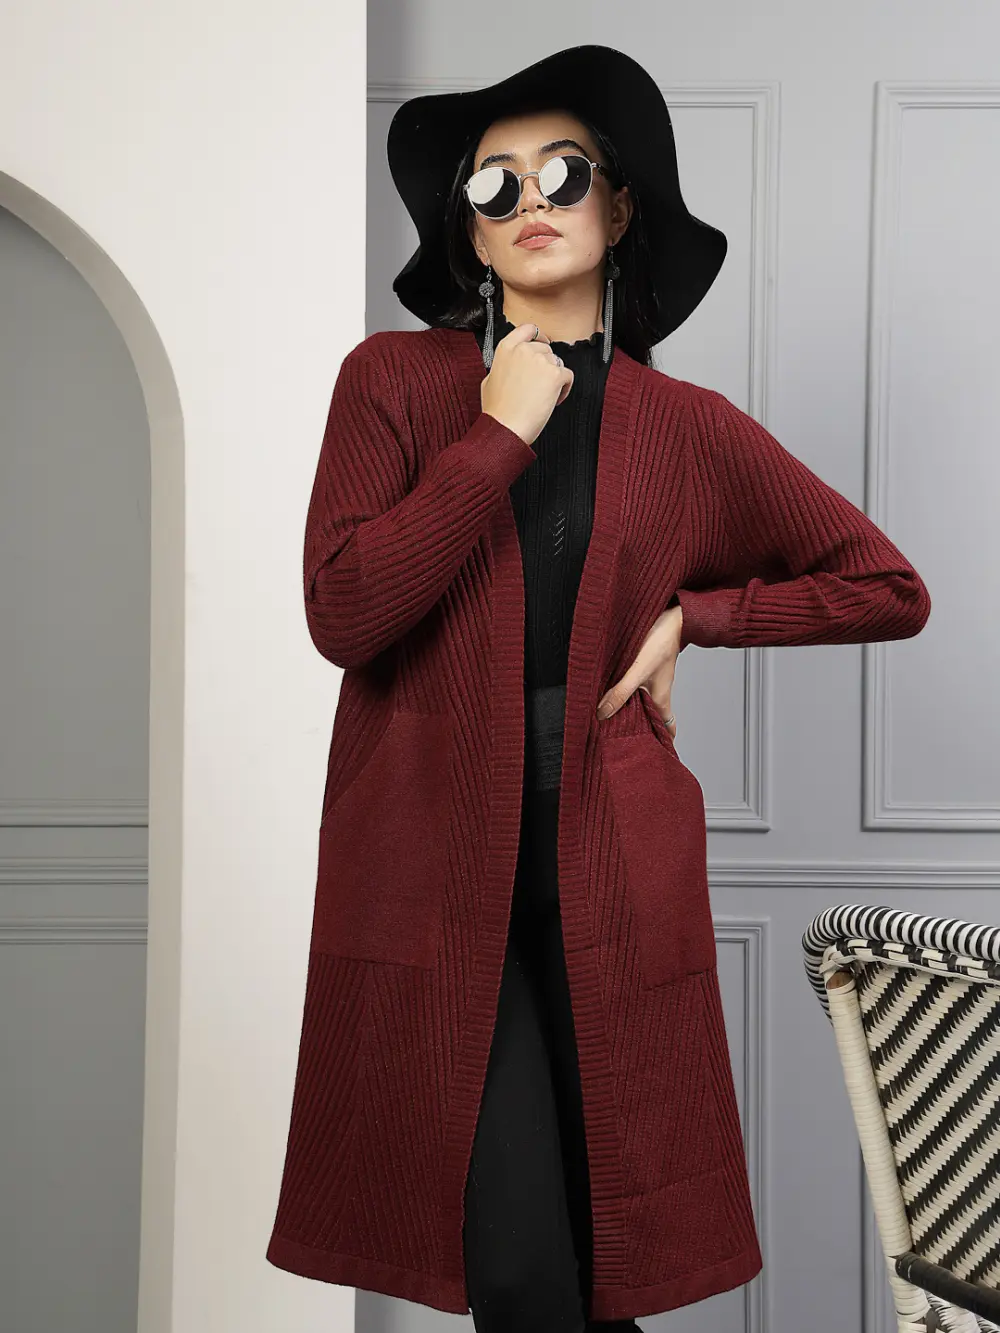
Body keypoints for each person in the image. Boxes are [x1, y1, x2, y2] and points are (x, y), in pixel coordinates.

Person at [266, 44, 931, 1332]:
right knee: (522, 1270)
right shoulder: (393, 382)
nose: (530, 198)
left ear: (620, 208)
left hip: (611, 867)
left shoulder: (683, 425)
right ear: (470, 232)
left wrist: (698, 616)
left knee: (598, 1261)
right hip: (432, 863)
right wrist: (499, 432)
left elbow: (885, 586)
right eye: (493, 183)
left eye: (563, 172)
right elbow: (345, 612)